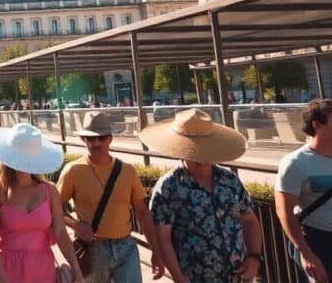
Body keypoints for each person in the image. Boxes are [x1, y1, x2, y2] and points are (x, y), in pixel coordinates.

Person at [141, 108, 263, 283]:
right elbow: (163, 237)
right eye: (194, 151)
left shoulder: (230, 180)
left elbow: (249, 220)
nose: (201, 157)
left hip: (237, 276)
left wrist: (254, 257)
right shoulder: (168, 187)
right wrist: (177, 276)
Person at [57, 111, 164, 283]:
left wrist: (156, 250)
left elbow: (142, 213)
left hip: (126, 247)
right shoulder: (73, 171)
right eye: (91, 138)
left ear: (110, 139)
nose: (96, 143)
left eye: (101, 138)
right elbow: (54, 208)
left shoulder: (128, 171)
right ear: (83, 139)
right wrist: (75, 225)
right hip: (93, 248)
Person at [0, 123, 83, 283]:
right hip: (7, 271)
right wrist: (1, 276)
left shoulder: (50, 190)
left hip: (43, 269)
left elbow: (61, 232)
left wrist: (76, 268)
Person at [276, 99, 332, 283]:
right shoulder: (295, 163)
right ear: (317, 125)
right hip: (319, 242)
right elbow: (284, 211)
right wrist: (306, 254)